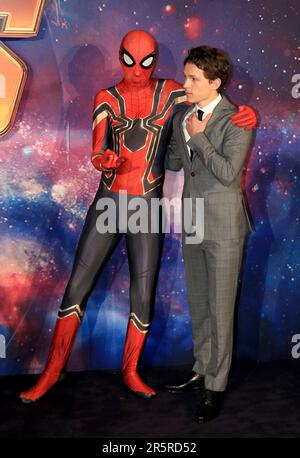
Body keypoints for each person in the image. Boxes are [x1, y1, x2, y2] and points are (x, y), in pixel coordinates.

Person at [20, 31, 257, 403]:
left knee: (142, 294)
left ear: (155, 60)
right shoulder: (107, 98)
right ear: (119, 57)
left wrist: (244, 111)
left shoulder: (174, 92)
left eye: (145, 61)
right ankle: (52, 370)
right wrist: (103, 159)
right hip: (109, 201)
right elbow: (98, 148)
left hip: (146, 205)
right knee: (77, 287)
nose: (136, 70)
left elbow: (212, 100)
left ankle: (130, 371)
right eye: (128, 60)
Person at [165, 45, 254, 422]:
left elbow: (228, 173)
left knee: (220, 310)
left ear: (215, 82)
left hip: (224, 225)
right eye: (185, 76)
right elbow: (172, 158)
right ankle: (201, 369)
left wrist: (199, 137)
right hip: (194, 219)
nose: (184, 83)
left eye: (193, 79)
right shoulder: (182, 114)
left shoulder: (238, 120)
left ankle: (216, 387)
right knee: (200, 304)